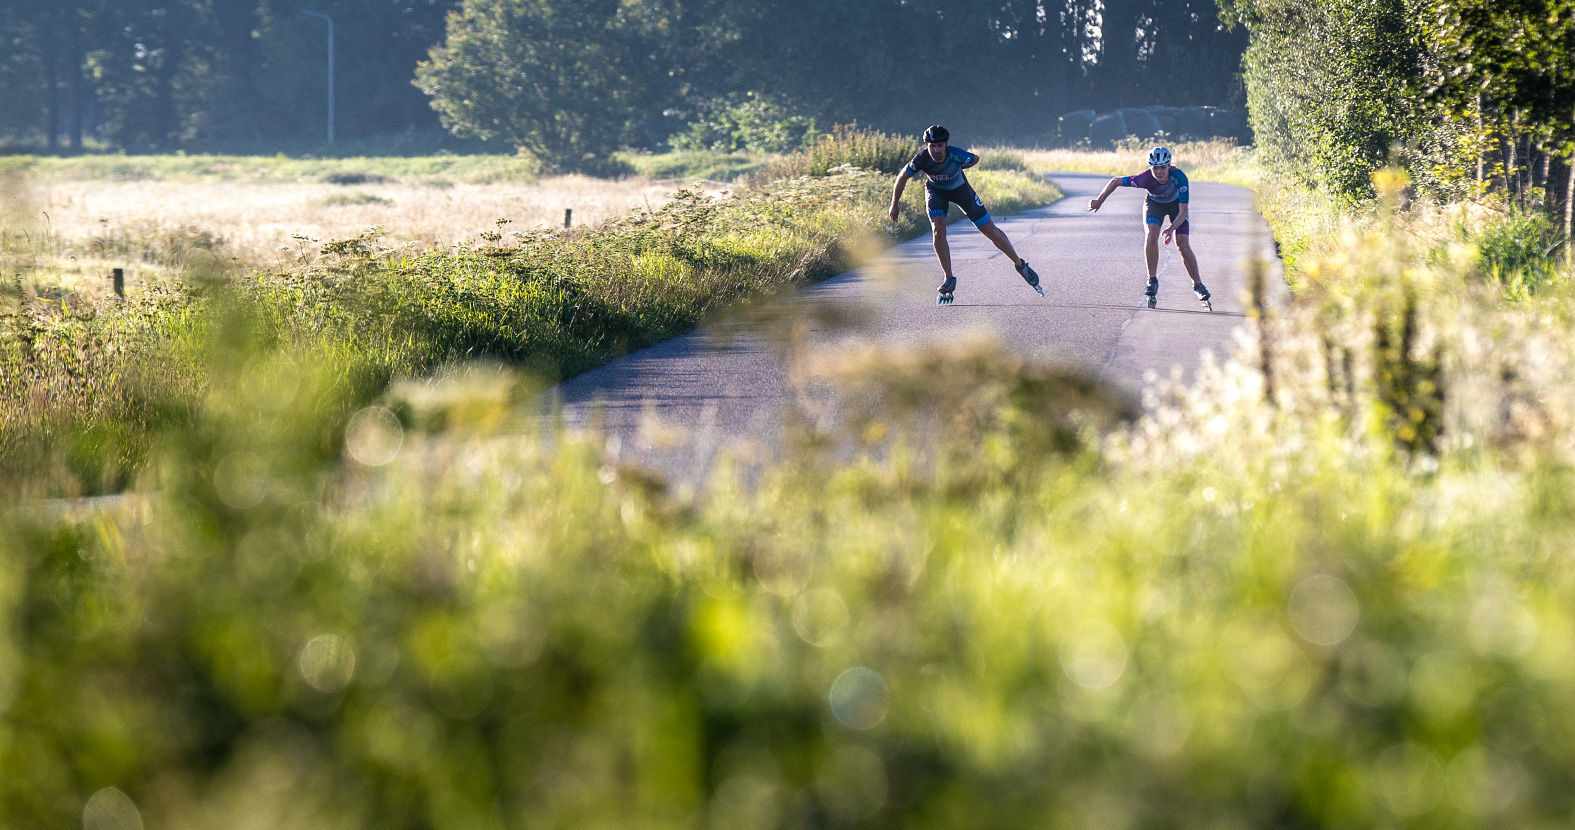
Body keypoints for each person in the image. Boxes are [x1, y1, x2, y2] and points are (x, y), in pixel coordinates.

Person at [887, 125, 1042, 305]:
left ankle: (1020, 264)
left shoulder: (956, 154)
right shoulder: (921, 158)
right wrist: (894, 204)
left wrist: (962, 166)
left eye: (939, 146)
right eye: (932, 146)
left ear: (946, 145)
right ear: (926, 145)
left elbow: (975, 158)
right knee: (938, 229)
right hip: (936, 193)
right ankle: (949, 277)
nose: (935, 150)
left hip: (961, 191)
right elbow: (902, 177)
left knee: (990, 230)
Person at [1086, 146, 1211, 308]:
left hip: (1176, 208)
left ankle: (1198, 285)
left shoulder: (1179, 178)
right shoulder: (1144, 178)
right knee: (1151, 234)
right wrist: (1099, 201)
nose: (1159, 172)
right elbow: (1116, 181)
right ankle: (1152, 280)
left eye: (1163, 168)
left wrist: (1171, 229)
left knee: (1183, 245)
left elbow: (1183, 212)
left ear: (1169, 167)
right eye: (1155, 168)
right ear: (1150, 167)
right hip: (1155, 205)